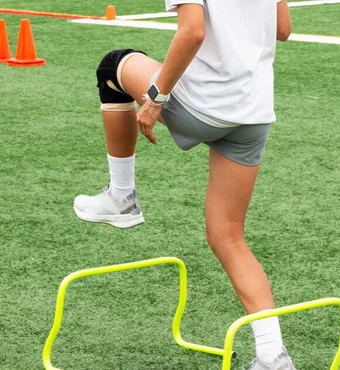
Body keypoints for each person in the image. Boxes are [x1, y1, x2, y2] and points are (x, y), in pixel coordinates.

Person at [74, 0, 293, 368]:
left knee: (113, 66)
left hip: (202, 106)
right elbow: (282, 28)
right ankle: (273, 355)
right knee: (228, 237)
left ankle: (121, 195)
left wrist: (157, 97)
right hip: (252, 113)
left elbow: (192, 31)